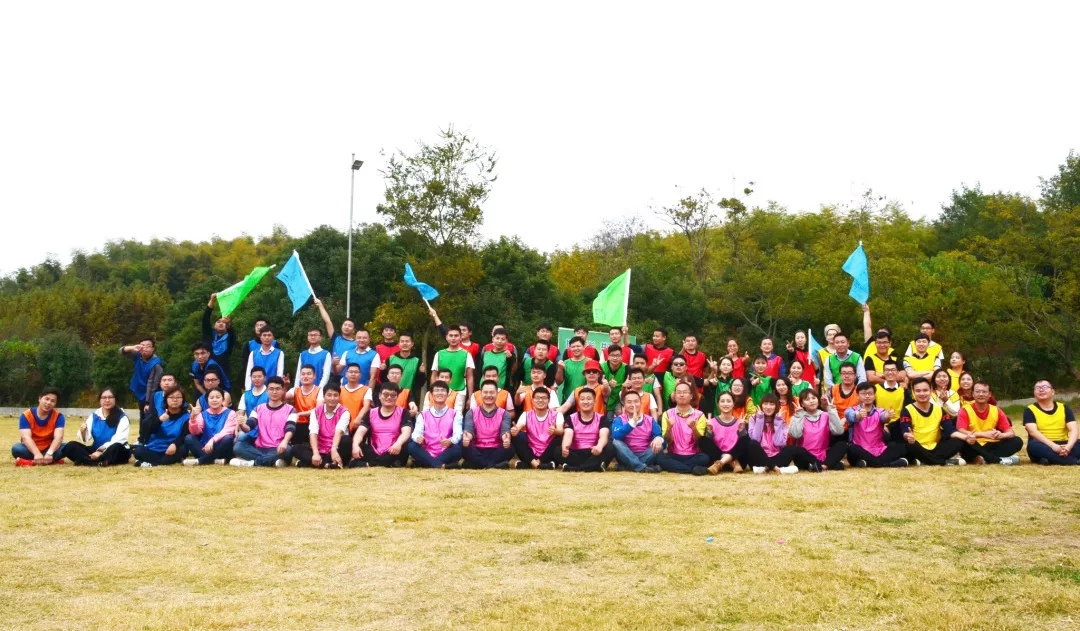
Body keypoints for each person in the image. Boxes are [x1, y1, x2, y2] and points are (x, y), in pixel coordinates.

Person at [897, 378, 965, 466]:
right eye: (918, 391)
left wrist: (966, 437)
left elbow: (950, 430)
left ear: (931, 390)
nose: (922, 394)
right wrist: (908, 436)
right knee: (909, 445)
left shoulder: (938, 409)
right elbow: (905, 431)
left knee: (958, 441)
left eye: (925, 390)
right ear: (913, 392)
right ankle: (944, 462)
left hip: (936, 446)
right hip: (917, 446)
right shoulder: (907, 410)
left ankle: (924, 460)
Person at [231, 377, 296, 467]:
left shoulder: (291, 409)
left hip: (279, 447)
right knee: (238, 447)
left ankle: (252, 463)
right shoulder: (258, 408)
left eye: (277, 389)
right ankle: (273, 461)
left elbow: (291, 428)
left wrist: (285, 441)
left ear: (282, 391)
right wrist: (242, 424)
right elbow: (248, 427)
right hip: (260, 448)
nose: (274, 392)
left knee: (288, 450)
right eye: (271, 389)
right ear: (267, 391)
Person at [952, 382, 1022, 465]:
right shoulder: (965, 410)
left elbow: (1011, 432)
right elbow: (961, 431)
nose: (981, 394)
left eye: (984, 392)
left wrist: (1002, 435)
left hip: (991, 443)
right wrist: (984, 434)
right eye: (977, 391)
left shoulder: (996, 410)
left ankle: (982, 459)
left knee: (1017, 441)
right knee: (960, 441)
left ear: (989, 394)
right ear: (973, 394)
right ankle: (997, 460)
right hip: (974, 443)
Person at [350, 382, 413, 468]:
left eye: (393, 395)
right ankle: (387, 463)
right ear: (380, 396)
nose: (389, 397)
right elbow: (360, 432)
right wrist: (355, 445)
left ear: (397, 397)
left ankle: (369, 464)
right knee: (356, 443)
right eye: (386, 394)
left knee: (406, 445)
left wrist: (398, 443)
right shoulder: (371, 412)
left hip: (394, 449)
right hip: (374, 450)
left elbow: (406, 432)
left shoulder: (403, 412)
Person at [845, 382, 909, 468]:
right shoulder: (850, 410)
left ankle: (869, 463)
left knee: (900, 446)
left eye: (870, 393)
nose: (867, 396)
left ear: (874, 396)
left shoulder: (880, 411)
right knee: (852, 449)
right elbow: (851, 416)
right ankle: (888, 464)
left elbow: (883, 417)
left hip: (879, 449)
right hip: (860, 449)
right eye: (863, 393)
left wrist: (887, 416)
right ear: (857, 396)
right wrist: (859, 415)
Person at [62, 388, 131, 466]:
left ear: (115, 399)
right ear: (100, 400)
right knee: (70, 446)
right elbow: (86, 439)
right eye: (104, 397)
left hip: (112, 450)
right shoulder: (95, 416)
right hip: (96, 449)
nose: (107, 400)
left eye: (110, 397)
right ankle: (97, 462)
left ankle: (86, 461)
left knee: (116, 447)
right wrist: (83, 431)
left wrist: (100, 451)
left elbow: (119, 439)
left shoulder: (122, 417)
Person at [655, 381, 710, 475]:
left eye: (685, 392)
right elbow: (667, 441)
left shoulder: (700, 415)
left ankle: (678, 468)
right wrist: (669, 428)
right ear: (675, 396)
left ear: (691, 396)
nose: (681, 395)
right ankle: (691, 469)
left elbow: (699, 441)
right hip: (674, 454)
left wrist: (693, 428)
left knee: (705, 458)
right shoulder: (667, 414)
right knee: (659, 457)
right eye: (679, 392)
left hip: (693, 455)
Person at [407, 381, 463, 469]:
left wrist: (451, 440)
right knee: (411, 446)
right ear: (431, 394)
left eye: (443, 390)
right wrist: (418, 438)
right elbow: (416, 433)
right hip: (427, 450)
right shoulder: (423, 414)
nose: (440, 393)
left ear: (447, 394)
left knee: (457, 448)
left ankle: (425, 463)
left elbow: (458, 434)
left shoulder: (455, 414)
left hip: (446, 450)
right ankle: (440, 465)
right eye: (436, 390)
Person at [787, 389, 847, 471]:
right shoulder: (798, 417)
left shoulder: (826, 415)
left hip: (823, 454)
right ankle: (828, 464)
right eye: (807, 399)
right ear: (802, 404)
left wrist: (832, 411)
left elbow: (838, 432)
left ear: (818, 400)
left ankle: (822, 466)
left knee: (842, 445)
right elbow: (795, 435)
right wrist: (799, 416)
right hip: (805, 456)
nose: (811, 401)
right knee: (796, 450)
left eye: (813, 398)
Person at [294, 383, 350, 469]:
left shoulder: (345, 412)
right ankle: (326, 464)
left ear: (339, 397)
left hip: (336, 448)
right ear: (324, 397)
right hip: (320, 449)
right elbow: (313, 432)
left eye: (335, 395)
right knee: (296, 448)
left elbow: (339, 432)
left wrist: (334, 449)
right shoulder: (315, 411)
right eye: (329, 395)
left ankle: (310, 462)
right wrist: (315, 453)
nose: (332, 398)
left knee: (347, 441)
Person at [1022, 380, 1079, 465]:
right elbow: (1033, 432)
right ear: (1034, 393)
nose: (1041, 390)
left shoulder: (1064, 408)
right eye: (1037, 388)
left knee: (1077, 444)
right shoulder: (1029, 410)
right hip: (1043, 445)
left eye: (1045, 387)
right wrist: (1053, 446)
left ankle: (1051, 459)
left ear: (1053, 392)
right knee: (1033, 446)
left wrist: (1068, 446)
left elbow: (1074, 430)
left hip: (1064, 443)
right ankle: (1074, 461)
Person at [132, 387, 189, 467]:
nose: (175, 400)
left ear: (183, 400)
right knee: (138, 451)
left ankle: (149, 463)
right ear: (166, 400)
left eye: (178, 397)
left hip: (172, 448)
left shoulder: (187, 416)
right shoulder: (158, 413)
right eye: (171, 397)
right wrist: (159, 420)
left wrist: (175, 444)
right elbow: (147, 432)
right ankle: (158, 462)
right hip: (155, 447)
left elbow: (184, 434)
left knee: (183, 449)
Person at [462, 380, 513, 469]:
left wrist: (506, 439)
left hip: (496, 449)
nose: (488, 395)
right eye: (485, 392)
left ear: (497, 394)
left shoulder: (505, 414)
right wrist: (467, 438)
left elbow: (505, 431)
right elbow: (469, 430)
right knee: (462, 444)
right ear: (481, 394)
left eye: (492, 392)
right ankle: (493, 465)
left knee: (510, 447)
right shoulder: (471, 412)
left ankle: (478, 464)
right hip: (477, 449)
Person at [743, 394, 799, 474]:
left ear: (776, 406)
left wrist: (778, 421)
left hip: (776, 457)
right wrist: (760, 419)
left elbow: (779, 443)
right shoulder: (754, 418)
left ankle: (765, 468)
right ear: (761, 405)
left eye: (772, 404)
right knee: (752, 444)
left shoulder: (781, 420)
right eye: (765, 404)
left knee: (791, 448)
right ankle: (775, 468)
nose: (768, 407)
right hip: (759, 458)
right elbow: (756, 439)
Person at [560, 388, 613, 472]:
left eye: (589, 399)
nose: (585, 402)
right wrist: (565, 448)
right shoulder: (570, 418)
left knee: (611, 447)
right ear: (578, 402)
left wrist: (599, 447)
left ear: (594, 401)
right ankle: (594, 466)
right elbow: (568, 434)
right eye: (582, 399)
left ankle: (576, 468)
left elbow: (604, 436)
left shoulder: (602, 418)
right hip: (576, 452)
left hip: (594, 451)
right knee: (558, 450)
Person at [511, 386, 564, 470]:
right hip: (531, 453)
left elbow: (561, 430)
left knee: (561, 437)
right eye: (537, 398)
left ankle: (531, 464)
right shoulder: (526, 414)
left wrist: (555, 431)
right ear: (532, 400)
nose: (540, 400)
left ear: (549, 400)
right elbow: (518, 426)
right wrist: (515, 430)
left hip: (548, 452)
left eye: (544, 398)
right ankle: (537, 464)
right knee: (515, 436)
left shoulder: (557, 415)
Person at [610, 390, 663, 473]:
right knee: (616, 442)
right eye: (629, 402)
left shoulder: (650, 420)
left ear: (640, 403)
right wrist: (632, 423)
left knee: (660, 443)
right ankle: (641, 467)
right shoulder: (619, 420)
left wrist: (658, 439)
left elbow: (659, 434)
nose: (633, 405)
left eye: (636, 401)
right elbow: (616, 435)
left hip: (645, 454)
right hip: (625, 454)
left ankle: (630, 466)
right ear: (624, 404)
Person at [13, 387, 66, 466]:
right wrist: (36, 453)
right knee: (17, 448)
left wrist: (50, 453)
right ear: (40, 399)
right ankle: (51, 460)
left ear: (55, 403)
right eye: (46, 399)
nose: (48, 403)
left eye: (52, 401)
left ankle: (31, 462)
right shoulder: (26, 415)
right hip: (31, 449)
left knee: (66, 447)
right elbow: (26, 437)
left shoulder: (59, 416)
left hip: (49, 449)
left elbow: (58, 437)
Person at [182, 387, 237, 466]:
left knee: (228, 438)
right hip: (205, 448)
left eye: (218, 397)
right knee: (189, 438)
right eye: (211, 398)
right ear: (207, 400)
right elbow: (196, 432)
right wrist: (193, 418)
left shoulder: (231, 413)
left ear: (222, 399)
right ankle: (213, 460)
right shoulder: (202, 414)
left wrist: (212, 441)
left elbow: (227, 431)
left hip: (222, 448)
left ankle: (201, 460)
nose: (214, 400)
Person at [701, 391, 748, 475]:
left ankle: (721, 463)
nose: (725, 404)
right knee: (702, 440)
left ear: (733, 404)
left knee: (747, 440)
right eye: (722, 401)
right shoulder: (711, 422)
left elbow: (744, 445)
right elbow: (709, 446)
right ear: (718, 404)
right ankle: (729, 461)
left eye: (728, 401)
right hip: (718, 458)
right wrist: (709, 431)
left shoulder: (739, 422)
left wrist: (742, 430)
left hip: (738, 460)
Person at [431, 327, 475, 413]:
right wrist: (432, 392)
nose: (453, 338)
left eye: (456, 335)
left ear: (460, 337)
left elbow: (470, 377)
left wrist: (470, 398)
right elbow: (434, 375)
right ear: (446, 337)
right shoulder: (439, 354)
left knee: (457, 416)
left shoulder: (466, 354)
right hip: (440, 391)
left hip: (459, 391)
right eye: (451, 335)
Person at [121, 339, 164, 425]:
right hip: (140, 392)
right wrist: (133, 347)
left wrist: (148, 402)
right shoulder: (138, 356)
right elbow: (121, 351)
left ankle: (146, 433)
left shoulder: (156, 364)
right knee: (142, 416)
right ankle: (142, 433)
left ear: (153, 349)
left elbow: (152, 384)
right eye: (142, 345)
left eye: (148, 346)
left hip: (151, 395)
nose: (145, 348)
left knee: (148, 417)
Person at [383, 331, 426, 408]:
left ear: (412, 344)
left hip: (409, 397)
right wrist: (382, 370)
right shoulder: (391, 359)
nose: (404, 343)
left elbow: (420, 383)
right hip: (390, 395)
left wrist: (421, 373)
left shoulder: (417, 361)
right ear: (398, 344)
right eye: (402, 341)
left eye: (407, 341)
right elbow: (383, 379)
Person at [285, 365, 324, 445]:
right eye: (303, 374)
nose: (305, 376)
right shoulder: (295, 390)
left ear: (314, 376)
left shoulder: (320, 390)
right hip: (297, 423)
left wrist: (300, 414)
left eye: (309, 374)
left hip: (313, 423)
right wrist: (285, 386)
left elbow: (318, 409)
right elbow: (281, 398)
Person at [873, 359, 908, 430]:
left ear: (897, 372)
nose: (890, 372)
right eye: (887, 370)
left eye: (893, 370)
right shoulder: (875, 389)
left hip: (899, 426)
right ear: (883, 372)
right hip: (879, 425)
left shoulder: (904, 390)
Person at [202, 294, 235, 367]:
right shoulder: (209, 334)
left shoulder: (230, 337)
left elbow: (231, 332)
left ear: (227, 326)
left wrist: (228, 322)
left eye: (223, 322)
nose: (221, 323)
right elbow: (205, 318)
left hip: (223, 370)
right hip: (207, 369)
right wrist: (212, 300)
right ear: (214, 325)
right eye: (218, 322)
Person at [480, 327, 517, 391]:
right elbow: (479, 371)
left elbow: (511, 368)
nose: (499, 341)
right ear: (493, 339)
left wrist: (510, 358)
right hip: (484, 388)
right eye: (497, 338)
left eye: (503, 339)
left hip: (501, 389)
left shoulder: (509, 355)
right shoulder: (485, 354)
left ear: (506, 341)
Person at [556, 336, 589, 403]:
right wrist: (560, 369)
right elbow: (558, 382)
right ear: (570, 348)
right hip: (567, 400)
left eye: (578, 346)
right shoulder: (565, 363)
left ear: (584, 346)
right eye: (573, 347)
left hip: (585, 400)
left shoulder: (590, 362)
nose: (576, 348)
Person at [601, 346, 628, 413]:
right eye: (612, 355)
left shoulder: (627, 368)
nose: (615, 358)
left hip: (619, 400)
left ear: (621, 357)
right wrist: (607, 384)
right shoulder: (601, 366)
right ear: (608, 357)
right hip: (604, 399)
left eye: (618, 355)